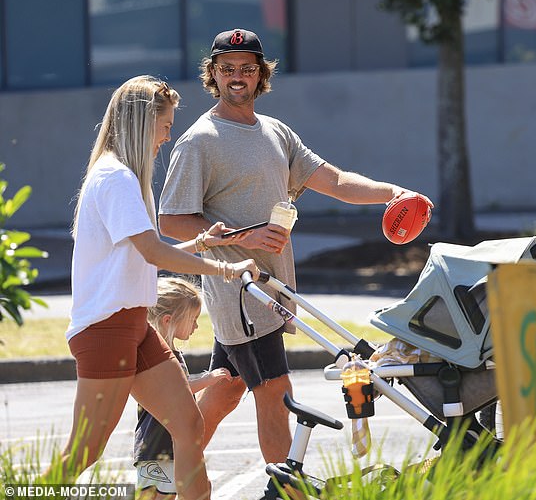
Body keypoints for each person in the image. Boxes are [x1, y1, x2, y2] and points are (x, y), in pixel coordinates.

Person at [158, 29, 433, 464]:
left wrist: (393, 192)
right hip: (242, 291)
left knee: (227, 389)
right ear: (212, 73)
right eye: (226, 69)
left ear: (260, 75)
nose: (236, 77)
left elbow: (337, 181)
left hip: (273, 287)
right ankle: (287, 492)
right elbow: (170, 220)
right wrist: (243, 236)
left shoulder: (275, 132)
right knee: (276, 395)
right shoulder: (199, 141)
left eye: (246, 69)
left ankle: (164, 470)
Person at [46, 75, 259, 500]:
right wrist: (223, 269)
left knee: (188, 425)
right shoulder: (115, 179)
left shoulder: (121, 177)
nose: (167, 137)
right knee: (84, 452)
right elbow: (151, 252)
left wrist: (200, 242)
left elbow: (134, 254)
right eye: (164, 126)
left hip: (133, 327)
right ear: (143, 124)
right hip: (106, 331)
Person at [135, 276, 230, 500]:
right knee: (159, 495)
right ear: (169, 320)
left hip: (169, 444)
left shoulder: (169, 355)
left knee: (195, 487)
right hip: (157, 446)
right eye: (193, 319)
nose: (197, 326)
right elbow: (179, 389)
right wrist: (210, 378)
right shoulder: (157, 360)